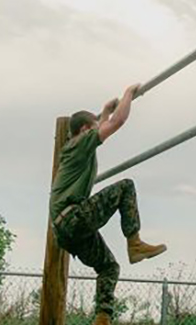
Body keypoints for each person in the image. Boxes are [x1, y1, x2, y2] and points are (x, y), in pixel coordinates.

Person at [49, 84, 167, 325]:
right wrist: (129, 94)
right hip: (73, 217)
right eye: (93, 128)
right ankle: (134, 243)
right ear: (84, 130)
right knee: (125, 186)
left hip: (66, 232)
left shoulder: (75, 148)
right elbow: (117, 123)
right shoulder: (79, 144)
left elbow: (102, 124)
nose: (98, 131)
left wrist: (103, 110)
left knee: (109, 267)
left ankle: (103, 318)